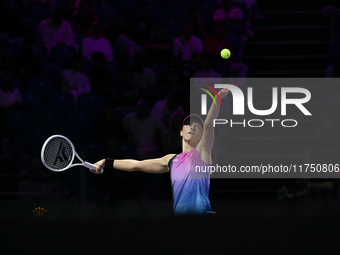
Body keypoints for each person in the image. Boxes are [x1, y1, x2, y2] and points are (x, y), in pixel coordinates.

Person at [90, 88, 230, 215]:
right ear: (181, 132)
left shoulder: (202, 154)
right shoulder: (171, 160)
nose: (192, 127)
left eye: (197, 127)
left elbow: (209, 124)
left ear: (201, 136)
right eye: (188, 125)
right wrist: (105, 162)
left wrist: (216, 100)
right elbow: (135, 165)